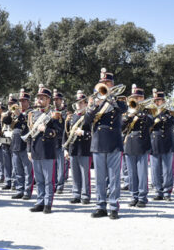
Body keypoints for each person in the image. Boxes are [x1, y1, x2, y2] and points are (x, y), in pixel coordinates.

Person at [86, 68, 124, 219]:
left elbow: (123, 109)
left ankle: (113, 207)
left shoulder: (118, 100)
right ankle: (100, 206)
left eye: (108, 83)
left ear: (112, 84)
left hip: (113, 141)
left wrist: (111, 99)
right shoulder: (95, 100)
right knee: (100, 178)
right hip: (98, 142)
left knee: (114, 177)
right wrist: (93, 106)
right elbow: (87, 121)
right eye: (103, 83)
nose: (105, 86)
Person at [26, 86, 62, 214]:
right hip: (35, 150)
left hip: (47, 151)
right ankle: (40, 202)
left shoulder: (54, 114)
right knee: (39, 180)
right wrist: (29, 150)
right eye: (38, 98)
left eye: (42, 98)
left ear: (48, 100)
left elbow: (59, 132)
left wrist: (46, 130)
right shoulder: (33, 114)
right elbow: (30, 133)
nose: (39, 100)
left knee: (48, 180)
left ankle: (48, 203)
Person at [122, 87, 153, 208]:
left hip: (142, 144)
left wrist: (139, 113)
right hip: (129, 144)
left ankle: (142, 197)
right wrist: (129, 116)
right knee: (132, 173)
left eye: (139, 97)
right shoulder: (128, 110)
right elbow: (121, 126)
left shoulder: (148, 110)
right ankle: (133, 196)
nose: (136, 99)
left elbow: (151, 121)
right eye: (134, 97)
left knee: (142, 173)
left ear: (143, 98)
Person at [3, 89, 33, 200]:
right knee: (17, 169)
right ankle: (20, 190)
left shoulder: (31, 112)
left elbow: (27, 123)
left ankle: (27, 191)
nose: (21, 103)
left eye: (24, 101)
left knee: (27, 170)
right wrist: (9, 112)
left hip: (25, 144)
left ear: (28, 101)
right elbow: (6, 121)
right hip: (15, 143)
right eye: (20, 101)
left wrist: (19, 115)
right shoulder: (16, 111)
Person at [64, 90, 92, 204]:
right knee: (75, 174)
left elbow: (93, 133)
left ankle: (85, 195)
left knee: (85, 174)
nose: (78, 105)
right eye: (77, 103)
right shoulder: (71, 117)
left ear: (86, 104)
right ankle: (76, 194)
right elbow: (66, 134)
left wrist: (83, 133)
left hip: (84, 148)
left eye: (81, 103)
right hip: (73, 149)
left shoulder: (89, 117)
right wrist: (65, 149)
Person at [149, 91, 174, 201]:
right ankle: (158, 191)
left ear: (163, 101)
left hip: (166, 143)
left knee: (167, 170)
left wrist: (164, 115)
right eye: (155, 100)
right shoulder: (150, 112)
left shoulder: (169, 112)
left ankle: (167, 192)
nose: (156, 102)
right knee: (155, 170)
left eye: (158, 100)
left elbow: (172, 122)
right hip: (154, 143)